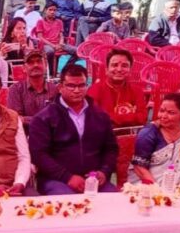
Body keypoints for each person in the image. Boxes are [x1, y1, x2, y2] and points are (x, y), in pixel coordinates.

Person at [29, 64, 118, 195]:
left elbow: (111, 149)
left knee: (114, 200)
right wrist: (67, 177)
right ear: (60, 87)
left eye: (81, 85)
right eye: (71, 86)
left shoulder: (100, 116)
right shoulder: (43, 118)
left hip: (94, 180)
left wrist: (104, 171)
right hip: (56, 180)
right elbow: (39, 155)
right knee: (68, 201)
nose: (77, 90)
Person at [129, 93, 180, 186]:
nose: (163, 116)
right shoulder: (148, 133)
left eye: (171, 112)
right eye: (162, 110)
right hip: (149, 187)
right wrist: (158, 191)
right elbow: (139, 167)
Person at [87, 48, 147, 127]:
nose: (119, 69)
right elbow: (95, 118)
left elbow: (142, 118)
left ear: (130, 70)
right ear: (106, 69)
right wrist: (131, 117)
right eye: (114, 65)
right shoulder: (95, 90)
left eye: (124, 66)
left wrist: (110, 117)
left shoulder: (137, 91)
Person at [7, 50, 57, 127]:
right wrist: (44, 120)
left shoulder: (54, 89)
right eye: (30, 62)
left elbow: (56, 118)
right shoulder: (15, 89)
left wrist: (25, 119)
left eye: (39, 61)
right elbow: (15, 118)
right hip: (25, 133)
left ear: (46, 65)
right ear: (24, 68)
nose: (35, 65)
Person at [35, 3, 77, 73]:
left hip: (59, 44)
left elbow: (61, 35)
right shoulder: (40, 22)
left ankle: (65, 69)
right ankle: (51, 72)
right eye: (50, 10)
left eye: (54, 10)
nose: (52, 12)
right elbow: (40, 37)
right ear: (45, 10)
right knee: (50, 51)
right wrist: (53, 46)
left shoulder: (59, 22)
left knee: (78, 51)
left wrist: (61, 43)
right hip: (46, 45)